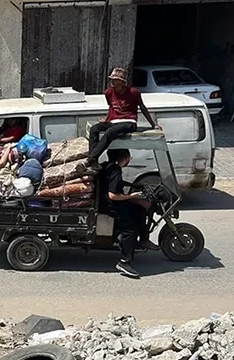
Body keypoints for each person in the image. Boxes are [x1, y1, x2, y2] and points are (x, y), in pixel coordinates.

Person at [100, 149, 160, 278]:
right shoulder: (115, 171)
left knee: (139, 208)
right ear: (125, 158)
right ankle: (124, 262)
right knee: (131, 230)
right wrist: (131, 196)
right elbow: (113, 195)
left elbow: (116, 187)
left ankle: (142, 240)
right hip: (111, 206)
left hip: (111, 203)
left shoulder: (109, 166)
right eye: (129, 157)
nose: (130, 159)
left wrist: (134, 193)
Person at [88, 68, 162, 168]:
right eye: (111, 79)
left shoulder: (134, 92)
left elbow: (142, 107)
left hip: (128, 122)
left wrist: (153, 124)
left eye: (114, 79)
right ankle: (94, 161)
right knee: (94, 129)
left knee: (110, 132)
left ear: (122, 82)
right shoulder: (108, 93)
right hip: (114, 121)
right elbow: (111, 107)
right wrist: (107, 118)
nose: (112, 82)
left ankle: (91, 158)